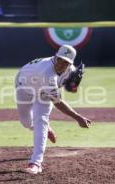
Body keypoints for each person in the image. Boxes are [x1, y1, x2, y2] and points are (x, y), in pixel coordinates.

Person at [15, 44, 91, 174]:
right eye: (59, 59)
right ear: (55, 56)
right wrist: (78, 118)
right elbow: (58, 102)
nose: (61, 64)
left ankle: (36, 163)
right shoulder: (46, 72)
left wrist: (73, 84)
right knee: (26, 122)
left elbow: (71, 87)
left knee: (41, 121)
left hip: (44, 93)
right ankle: (46, 130)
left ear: (70, 63)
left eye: (65, 62)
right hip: (24, 87)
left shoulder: (70, 70)